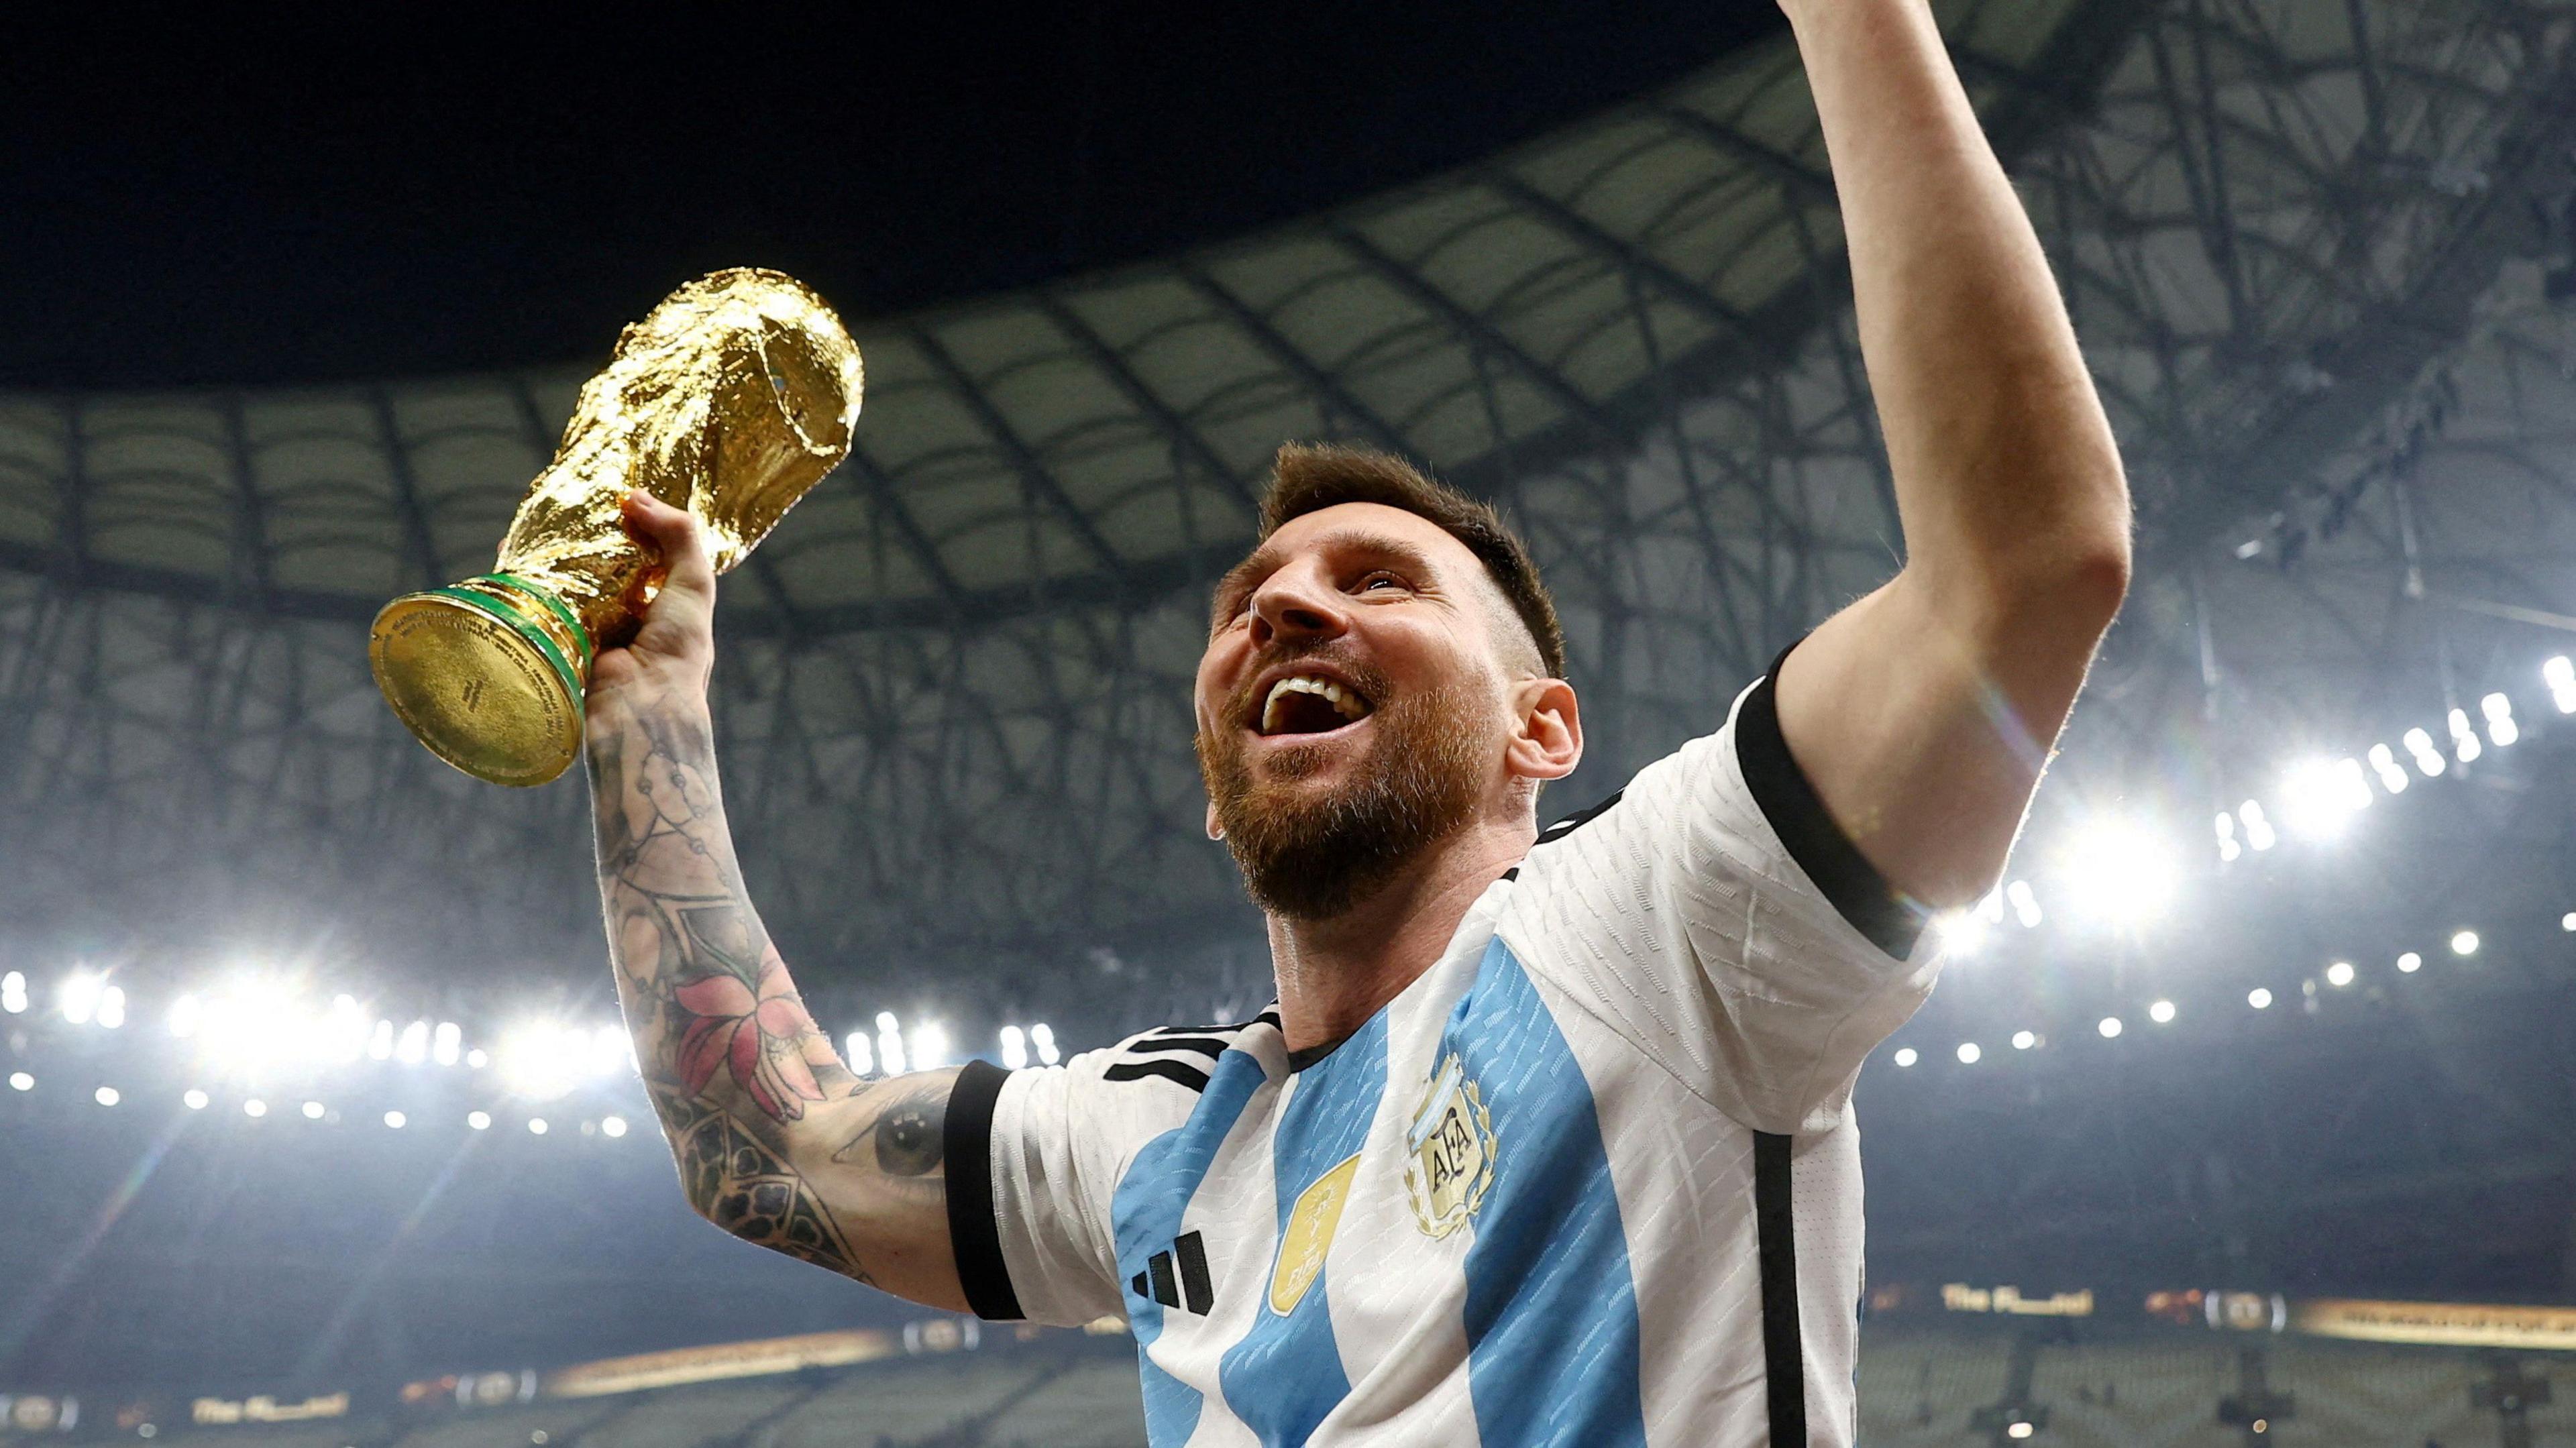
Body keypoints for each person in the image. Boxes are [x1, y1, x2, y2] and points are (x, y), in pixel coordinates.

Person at [580, 0, 2129, 1441]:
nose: (1286, 607)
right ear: (1215, 791)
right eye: (1250, 596)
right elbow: (763, 1147)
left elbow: (2022, 574)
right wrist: (650, 708)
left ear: (1545, 732)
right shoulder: (1154, 1140)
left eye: (1380, 580)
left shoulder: (1657, 929)